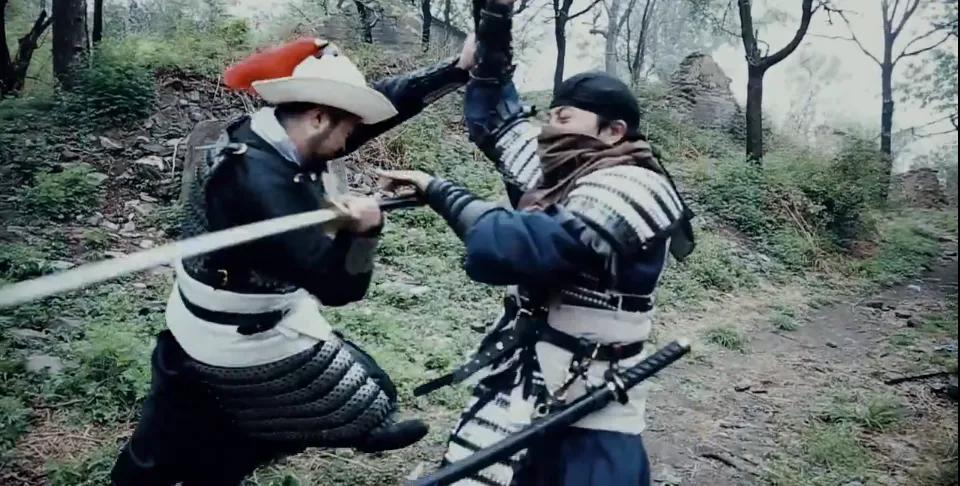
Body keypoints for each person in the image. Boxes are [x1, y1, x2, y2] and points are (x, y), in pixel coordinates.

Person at [111, 36, 477, 486]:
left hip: (228, 310)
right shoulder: (262, 185)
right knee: (368, 397)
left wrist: (456, 69)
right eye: (347, 130)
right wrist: (365, 231)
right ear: (319, 117)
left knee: (188, 431)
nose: (350, 141)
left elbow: (379, 105)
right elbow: (340, 287)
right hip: (240, 335)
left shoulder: (271, 131)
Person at [378, 1, 696, 484]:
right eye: (549, 117)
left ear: (614, 132)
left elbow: (517, 248)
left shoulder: (638, 187)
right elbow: (497, 121)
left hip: (592, 407)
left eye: (562, 118)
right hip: (517, 384)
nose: (547, 130)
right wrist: (494, 32)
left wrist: (439, 190)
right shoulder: (562, 174)